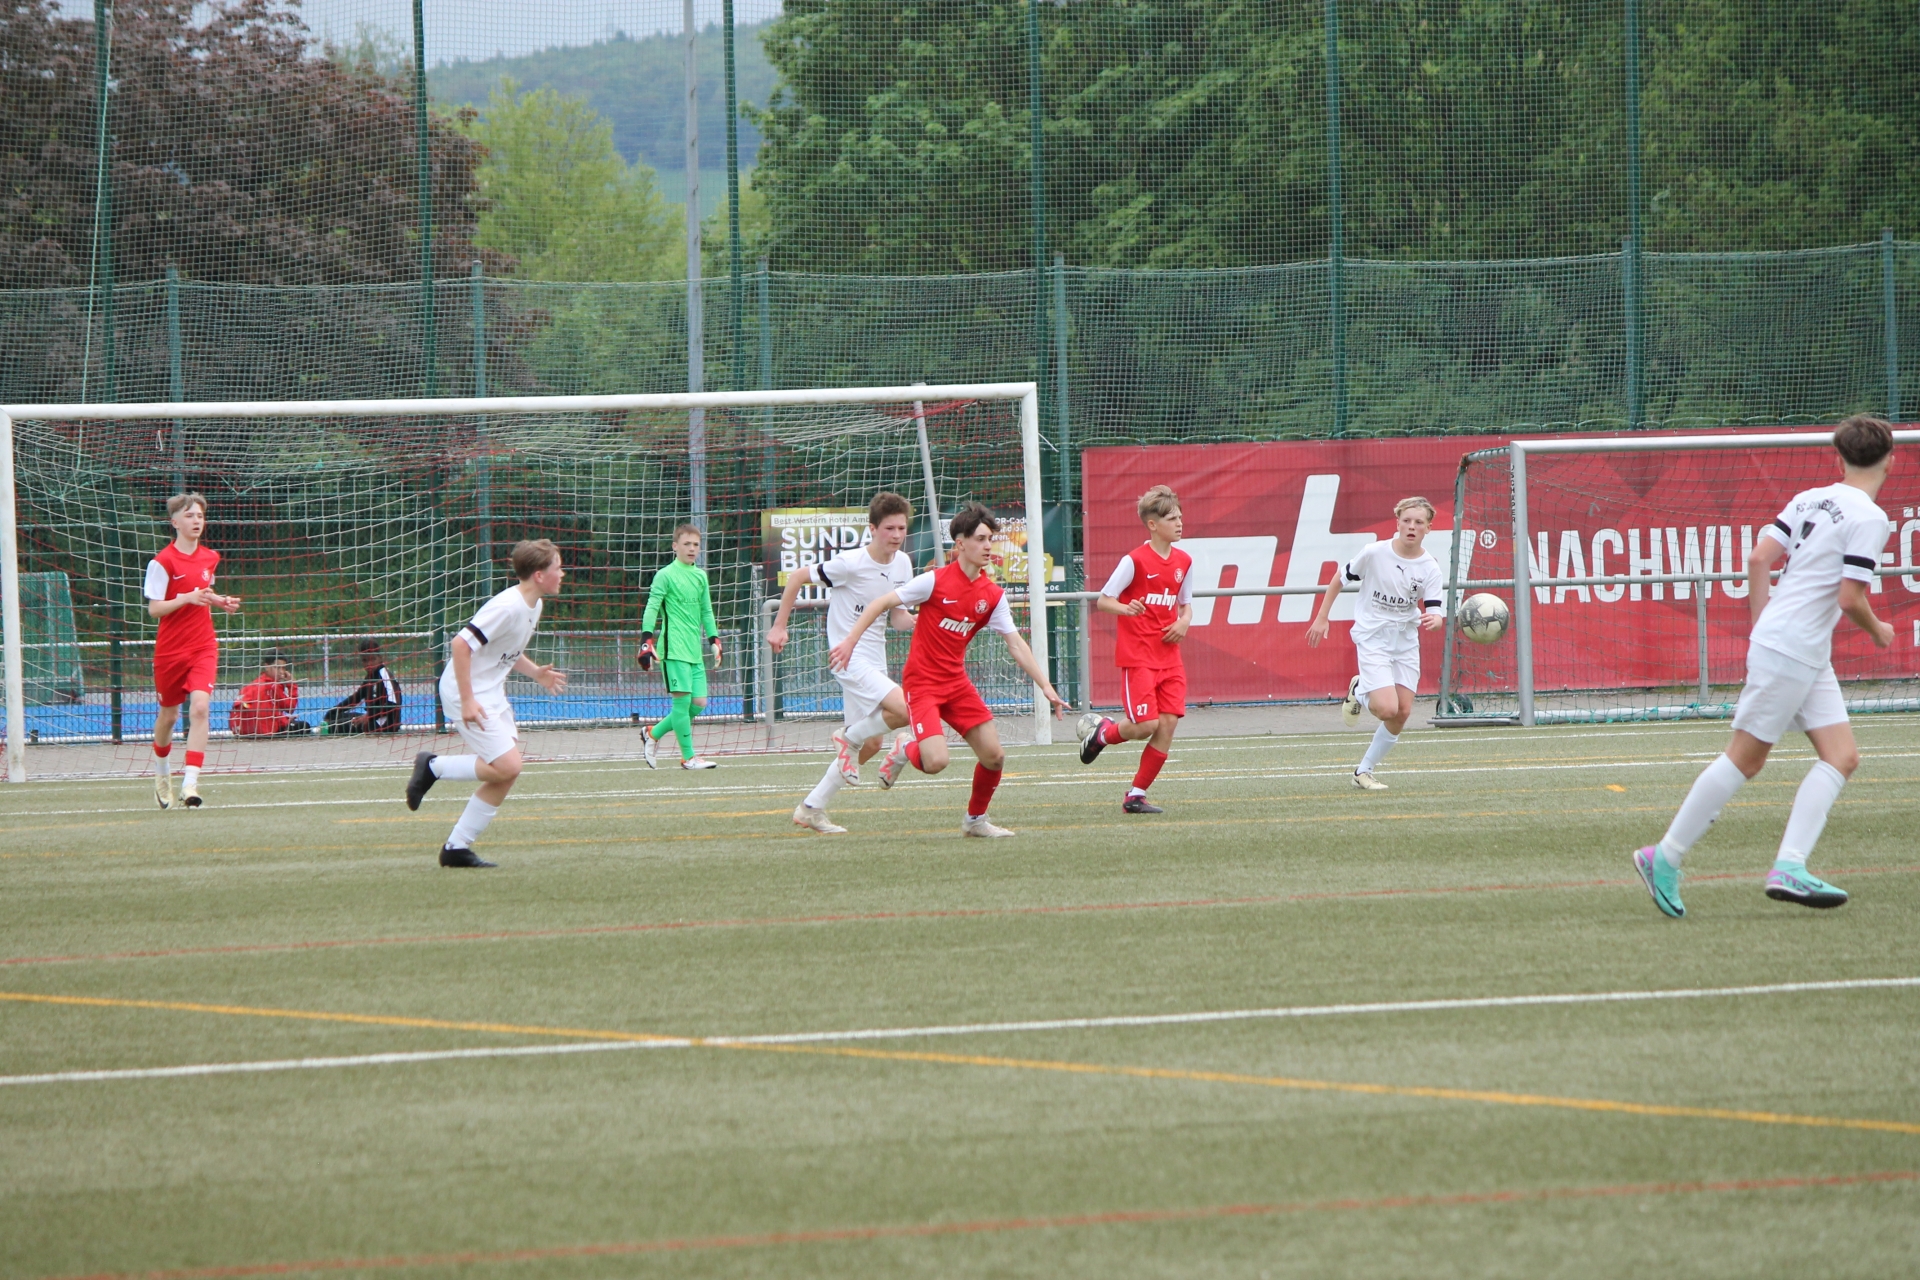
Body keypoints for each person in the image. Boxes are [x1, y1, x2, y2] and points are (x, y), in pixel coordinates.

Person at [1635, 415, 1897, 918]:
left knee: (1842, 756)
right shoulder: (1870, 517)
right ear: (1890, 459)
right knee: (1745, 759)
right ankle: (1663, 855)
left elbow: (1759, 559)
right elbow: (1850, 598)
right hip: (1793, 647)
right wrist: (1878, 630)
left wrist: (1763, 623)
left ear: (1838, 458)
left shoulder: (1810, 498)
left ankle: (1790, 866)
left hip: (1800, 648)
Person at [830, 503, 1068, 838]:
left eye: (991, 539)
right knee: (936, 762)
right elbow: (881, 603)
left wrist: (1045, 686)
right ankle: (905, 748)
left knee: (994, 756)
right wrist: (850, 642)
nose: (988, 546)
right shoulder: (933, 582)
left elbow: (1015, 643)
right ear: (960, 544)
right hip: (922, 684)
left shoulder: (992, 595)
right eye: (981, 539)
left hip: (956, 684)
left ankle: (975, 821)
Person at [405, 539, 569, 868]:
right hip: (465, 691)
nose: (562, 574)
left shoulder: (533, 605)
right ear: (539, 575)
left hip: (491, 693)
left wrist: (536, 673)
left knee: (504, 773)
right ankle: (433, 767)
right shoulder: (507, 606)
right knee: (509, 766)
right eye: (558, 567)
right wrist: (467, 700)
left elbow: (506, 650)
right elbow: (460, 645)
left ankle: (456, 847)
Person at [769, 492, 918, 834]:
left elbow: (898, 619)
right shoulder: (849, 563)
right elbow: (797, 577)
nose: (897, 535)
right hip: (846, 655)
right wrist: (779, 626)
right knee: (904, 709)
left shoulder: (903, 563)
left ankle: (811, 807)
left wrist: (918, 619)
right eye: (889, 528)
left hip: (874, 657)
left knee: (872, 743)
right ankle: (848, 737)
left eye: (901, 528)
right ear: (872, 529)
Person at [1304, 496, 1445, 790]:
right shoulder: (1375, 552)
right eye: (1406, 520)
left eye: (1419, 522)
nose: (1412, 526)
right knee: (1386, 709)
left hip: (1405, 641)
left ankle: (1363, 771)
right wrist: (1321, 617)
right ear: (1397, 523)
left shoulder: (1430, 567)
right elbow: (1340, 578)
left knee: (1402, 712)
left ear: (1428, 528)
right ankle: (1360, 690)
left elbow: (1434, 609)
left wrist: (1435, 619)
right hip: (1373, 636)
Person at [1078, 484, 1193, 813]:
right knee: (1145, 726)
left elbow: (1185, 605)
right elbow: (1104, 600)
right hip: (1139, 656)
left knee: (1167, 725)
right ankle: (1102, 734)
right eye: (1171, 518)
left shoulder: (1184, 561)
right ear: (1152, 525)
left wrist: (1184, 622)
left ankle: (1135, 795)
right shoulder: (1134, 561)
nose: (1179, 523)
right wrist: (1125, 609)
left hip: (1170, 658)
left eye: (1180, 516)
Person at [143, 492, 242, 808]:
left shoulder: (210, 557)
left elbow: (204, 591)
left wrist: (220, 601)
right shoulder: (162, 562)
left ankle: (190, 784)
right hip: (171, 651)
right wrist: (186, 597)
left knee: (200, 708)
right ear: (174, 522)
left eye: (200, 515)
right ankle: (162, 772)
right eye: (189, 515)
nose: (196, 520)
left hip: (203, 645)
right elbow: (155, 609)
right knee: (169, 716)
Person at [639, 524, 722, 770]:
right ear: (675, 546)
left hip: (694, 651)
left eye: (696, 544)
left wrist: (714, 640)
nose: (692, 548)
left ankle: (653, 733)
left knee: (699, 703)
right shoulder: (665, 575)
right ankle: (689, 757)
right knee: (682, 704)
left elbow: (706, 610)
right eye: (687, 544)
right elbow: (652, 607)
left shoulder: (700, 576)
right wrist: (646, 640)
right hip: (673, 649)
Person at [324, 640, 402, 734]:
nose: (368, 664)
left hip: (384, 724)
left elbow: (393, 704)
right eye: (365, 660)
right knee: (334, 717)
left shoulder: (384, 675)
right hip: (372, 719)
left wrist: (368, 716)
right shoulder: (370, 677)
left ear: (380, 658)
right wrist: (332, 712)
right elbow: (356, 698)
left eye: (372, 659)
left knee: (331, 727)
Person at [229, 654, 308, 737]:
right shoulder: (272, 686)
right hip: (264, 731)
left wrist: (285, 719)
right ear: (267, 667)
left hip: (242, 731)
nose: (281, 672)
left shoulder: (252, 685)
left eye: (283, 668)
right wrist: (292, 685)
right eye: (277, 667)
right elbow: (290, 707)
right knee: (304, 726)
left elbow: (268, 710)